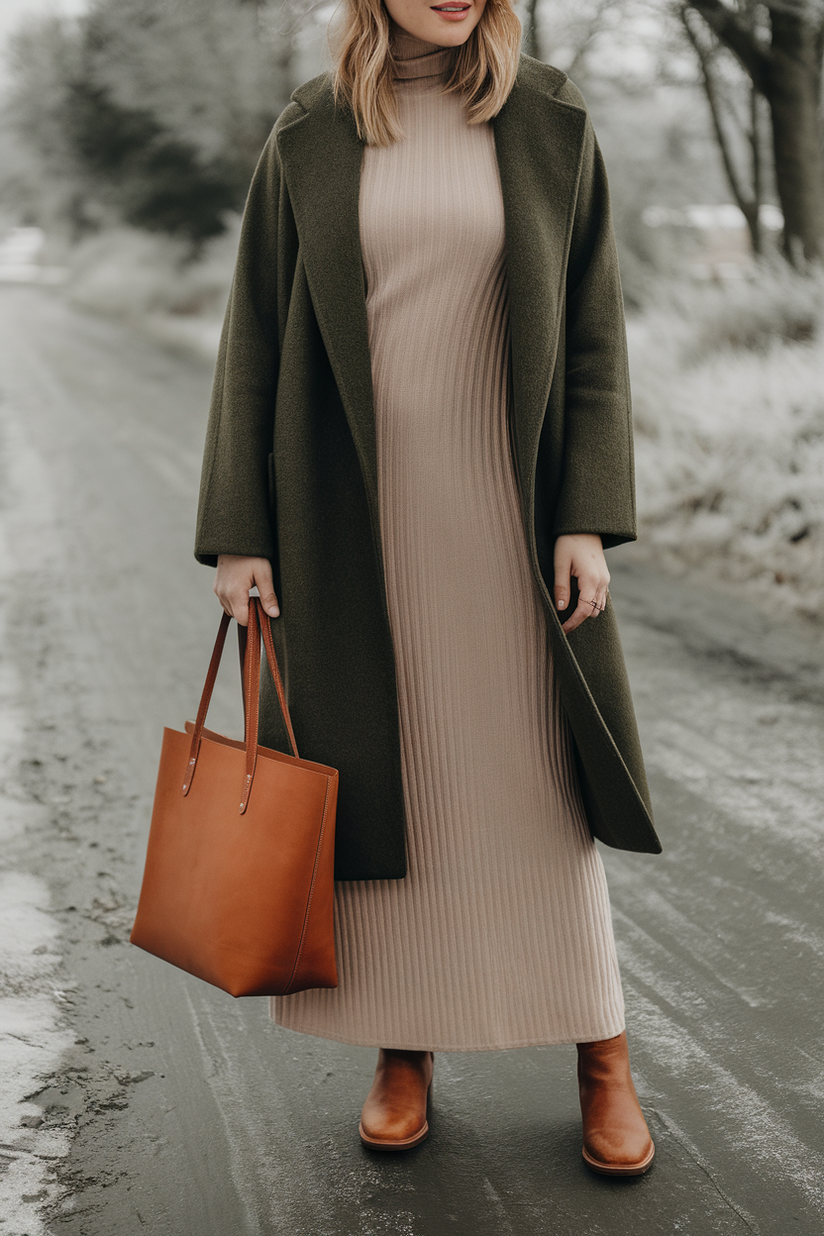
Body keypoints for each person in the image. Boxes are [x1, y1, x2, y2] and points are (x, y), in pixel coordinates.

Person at [195, 0, 662, 1175]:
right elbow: (251, 336)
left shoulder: (547, 116)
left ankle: (600, 1055)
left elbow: (593, 333)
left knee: (535, 783)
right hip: (353, 520)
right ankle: (403, 1051)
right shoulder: (309, 129)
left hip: (506, 516)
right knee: (386, 775)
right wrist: (240, 533)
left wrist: (584, 517)